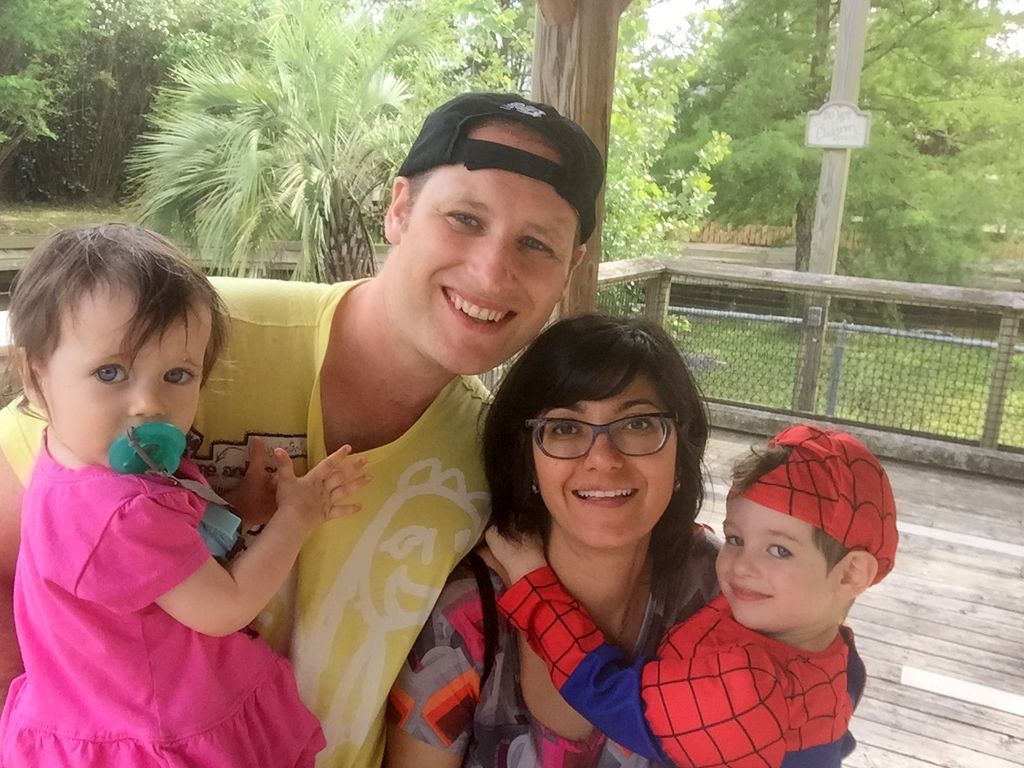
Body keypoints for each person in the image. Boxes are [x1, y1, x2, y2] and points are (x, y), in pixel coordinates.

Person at [0, 92, 606, 768]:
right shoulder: (181, 339)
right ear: (400, 209)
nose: (493, 271)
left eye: (536, 243)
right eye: (465, 218)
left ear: (571, 268)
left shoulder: (499, 452)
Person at [0, 224, 370, 766]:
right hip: (159, 733)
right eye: (110, 372)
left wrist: (240, 511)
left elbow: (156, 564)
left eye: (177, 374)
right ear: (37, 379)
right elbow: (225, 606)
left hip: (95, 709)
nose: (149, 403)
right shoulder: (119, 513)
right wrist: (298, 516)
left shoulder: (74, 460)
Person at [385, 313, 722, 767]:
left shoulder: (718, 587)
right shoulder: (467, 618)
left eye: (638, 424)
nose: (603, 459)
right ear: (529, 461)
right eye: (565, 428)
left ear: (681, 450)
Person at [486, 425, 898, 768]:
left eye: (778, 550)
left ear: (851, 574)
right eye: (736, 539)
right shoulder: (842, 662)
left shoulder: (745, 696)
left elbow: (600, 688)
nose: (741, 566)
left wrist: (529, 579)